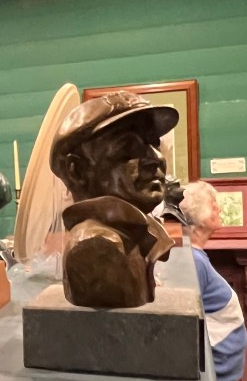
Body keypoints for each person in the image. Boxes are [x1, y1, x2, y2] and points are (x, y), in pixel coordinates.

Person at [50, 91, 178, 307]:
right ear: (78, 170)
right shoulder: (95, 248)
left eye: (154, 144)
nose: (156, 158)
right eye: (127, 149)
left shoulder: (132, 234)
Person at [180, 180, 247, 381]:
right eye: (213, 204)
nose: (218, 209)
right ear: (199, 218)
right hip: (212, 376)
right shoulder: (194, 261)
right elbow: (187, 321)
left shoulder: (197, 257)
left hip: (219, 373)